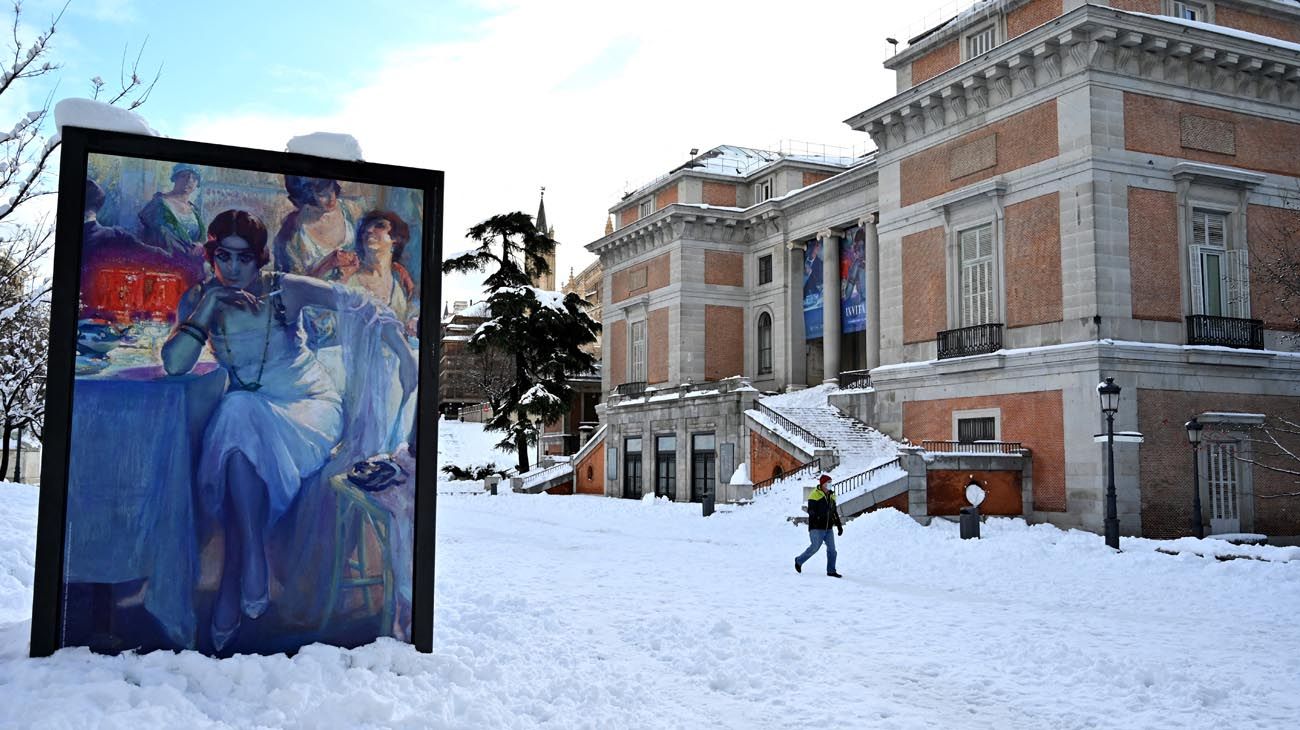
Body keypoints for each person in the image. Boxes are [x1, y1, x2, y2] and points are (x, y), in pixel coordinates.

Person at [161, 209, 416, 652]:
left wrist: (408, 359)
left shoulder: (283, 288)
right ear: (212, 255)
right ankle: (250, 558)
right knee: (238, 411)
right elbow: (174, 364)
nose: (235, 268)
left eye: (245, 259)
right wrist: (209, 306)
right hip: (252, 413)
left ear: (260, 259)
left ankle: (232, 582)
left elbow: (359, 305)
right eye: (225, 256)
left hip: (309, 408)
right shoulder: (201, 298)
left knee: (238, 416)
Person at [342, 210, 419, 334]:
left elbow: (409, 322)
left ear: (395, 238)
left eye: (380, 226)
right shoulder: (349, 278)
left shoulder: (402, 281)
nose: (369, 230)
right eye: (365, 228)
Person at [272, 176, 358, 279]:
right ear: (307, 196)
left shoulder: (350, 211)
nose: (332, 198)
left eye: (332, 190)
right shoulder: (291, 233)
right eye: (322, 195)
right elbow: (292, 285)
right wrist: (326, 265)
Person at [137, 162, 206, 288]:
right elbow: (156, 236)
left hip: (192, 271)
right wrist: (186, 252)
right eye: (184, 176)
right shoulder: (159, 204)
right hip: (163, 267)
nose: (189, 181)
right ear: (175, 178)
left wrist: (200, 245)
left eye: (194, 178)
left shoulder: (194, 210)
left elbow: (201, 237)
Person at [794, 473, 844, 578]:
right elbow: (811, 510)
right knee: (815, 548)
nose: (830, 484)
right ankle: (799, 560)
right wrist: (816, 518)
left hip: (828, 528)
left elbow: (834, 512)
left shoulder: (832, 496)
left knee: (832, 550)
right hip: (816, 527)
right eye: (828, 483)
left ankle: (831, 571)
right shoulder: (814, 495)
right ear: (823, 484)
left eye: (831, 482)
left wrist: (839, 526)